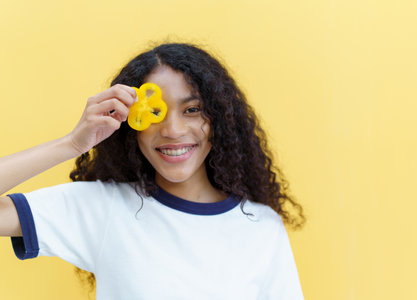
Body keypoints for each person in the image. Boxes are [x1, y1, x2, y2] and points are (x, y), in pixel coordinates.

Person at [0, 42, 306, 299]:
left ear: (219, 120)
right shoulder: (102, 208)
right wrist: (70, 144)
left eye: (192, 110)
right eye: (155, 113)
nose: (173, 130)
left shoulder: (261, 226)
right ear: (130, 126)